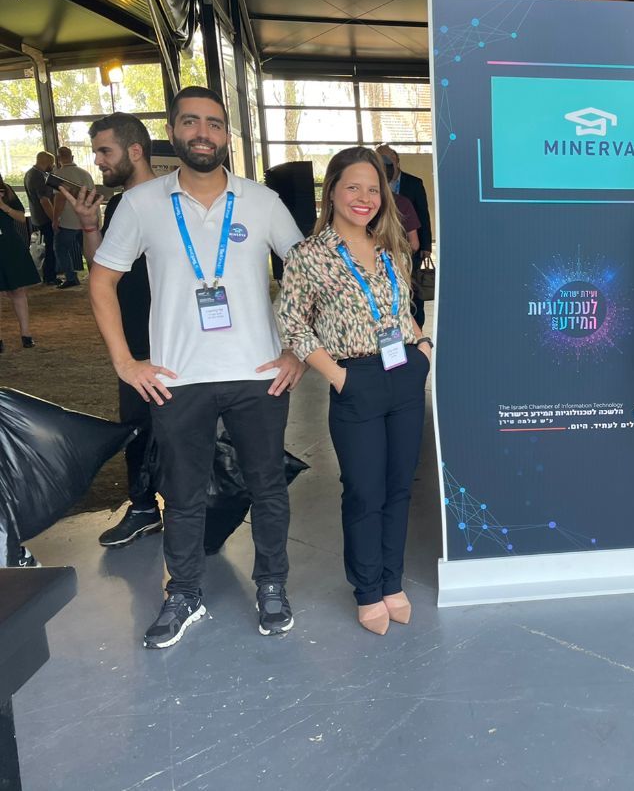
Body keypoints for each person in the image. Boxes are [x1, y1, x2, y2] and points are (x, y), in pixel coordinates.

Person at [89, 86, 306, 649]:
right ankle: (183, 592)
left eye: (213, 123)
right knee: (183, 495)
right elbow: (102, 280)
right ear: (173, 131)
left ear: (226, 134)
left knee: (267, 488)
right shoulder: (141, 204)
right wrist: (125, 362)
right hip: (177, 379)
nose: (202, 133)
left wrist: (296, 351)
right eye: (191, 122)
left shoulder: (261, 201)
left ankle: (273, 585)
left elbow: (307, 275)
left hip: (259, 374)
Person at [278, 147, 431, 635]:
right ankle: (367, 589)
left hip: (404, 373)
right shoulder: (308, 256)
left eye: (373, 189)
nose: (364, 198)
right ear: (332, 192)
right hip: (355, 378)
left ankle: (392, 582)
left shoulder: (390, 249)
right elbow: (293, 324)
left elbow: (401, 310)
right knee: (365, 491)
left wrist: (423, 349)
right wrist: (338, 376)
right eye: (353, 187)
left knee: (400, 487)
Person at [59, 113, 162, 547]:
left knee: (186, 426)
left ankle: (199, 509)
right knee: (137, 425)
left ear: (134, 151)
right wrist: (89, 225)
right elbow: (101, 267)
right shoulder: (120, 205)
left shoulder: (172, 199)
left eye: (105, 151)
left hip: (175, 336)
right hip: (133, 338)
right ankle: (144, 507)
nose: (98, 161)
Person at [376, 145, 432, 325]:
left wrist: (426, 246)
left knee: (413, 291)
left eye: (388, 160)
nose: (385, 165)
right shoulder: (373, 187)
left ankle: (417, 326)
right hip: (383, 251)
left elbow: (423, 214)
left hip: (409, 250)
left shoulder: (413, 184)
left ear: (397, 161)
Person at [0, 172, 38, 352]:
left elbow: (22, 218)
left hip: (10, 246)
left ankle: (26, 334)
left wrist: (3, 207)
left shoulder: (6, 191)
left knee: (18, 290)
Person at [51, 146, 95, 288]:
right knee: (88, 250)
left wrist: (55, 218)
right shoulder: (85, 173)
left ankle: (71, 277)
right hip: (85, 219)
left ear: (58, 159)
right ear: (72, 157)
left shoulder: (58, 174)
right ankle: (95, 276)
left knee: (61, 248)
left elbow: (60, 199)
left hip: (68, 221)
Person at [23, 152, 57, 284]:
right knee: (50, 247)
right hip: (45, 218)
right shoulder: (38, 176)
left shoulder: (29, 173)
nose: (52, 166)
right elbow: (44, 200)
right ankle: (50, 276)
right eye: (52, 163)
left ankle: (49, 275)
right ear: (46, 162)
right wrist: (54, 219)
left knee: (47, 246)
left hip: (37, 216)